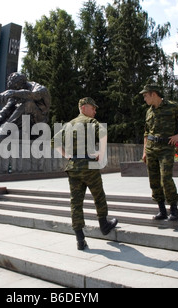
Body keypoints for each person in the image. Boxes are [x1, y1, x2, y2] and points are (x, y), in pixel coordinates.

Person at [53, 97, 118, 250]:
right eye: (93, 108)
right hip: (89, 165)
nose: (95, 111)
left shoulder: (68, 125)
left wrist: (67, 156)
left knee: (76, 203)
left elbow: (54, 141)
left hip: (73, 167)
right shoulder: (90, 122)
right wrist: (100, 154)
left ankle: (80, 240)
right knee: (98, 196)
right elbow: (103, 132)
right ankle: (104, 225)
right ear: (83, 108)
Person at [141, 84, 178, 221]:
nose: (144, 98)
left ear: (153, 94)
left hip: (166, 148)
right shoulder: (149, 111)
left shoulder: (172, 107)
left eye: (146, 95)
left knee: (166, 179)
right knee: (154, 180)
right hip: (151, 148)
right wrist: (145, 151)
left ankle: (174, 210)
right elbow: (146, 132)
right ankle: (162, 210)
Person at [0, 72, 51, 138]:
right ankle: (5, 130)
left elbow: (33, 95)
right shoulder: (15, 93)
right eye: (13, 89)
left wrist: (12, 93)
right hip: (20, 125)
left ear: (23, 85)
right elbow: (2, 115)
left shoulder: (40, 89)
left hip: (37, 124)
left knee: (28, 103)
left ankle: (5, 129)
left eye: (16, 89)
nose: (14, 91)